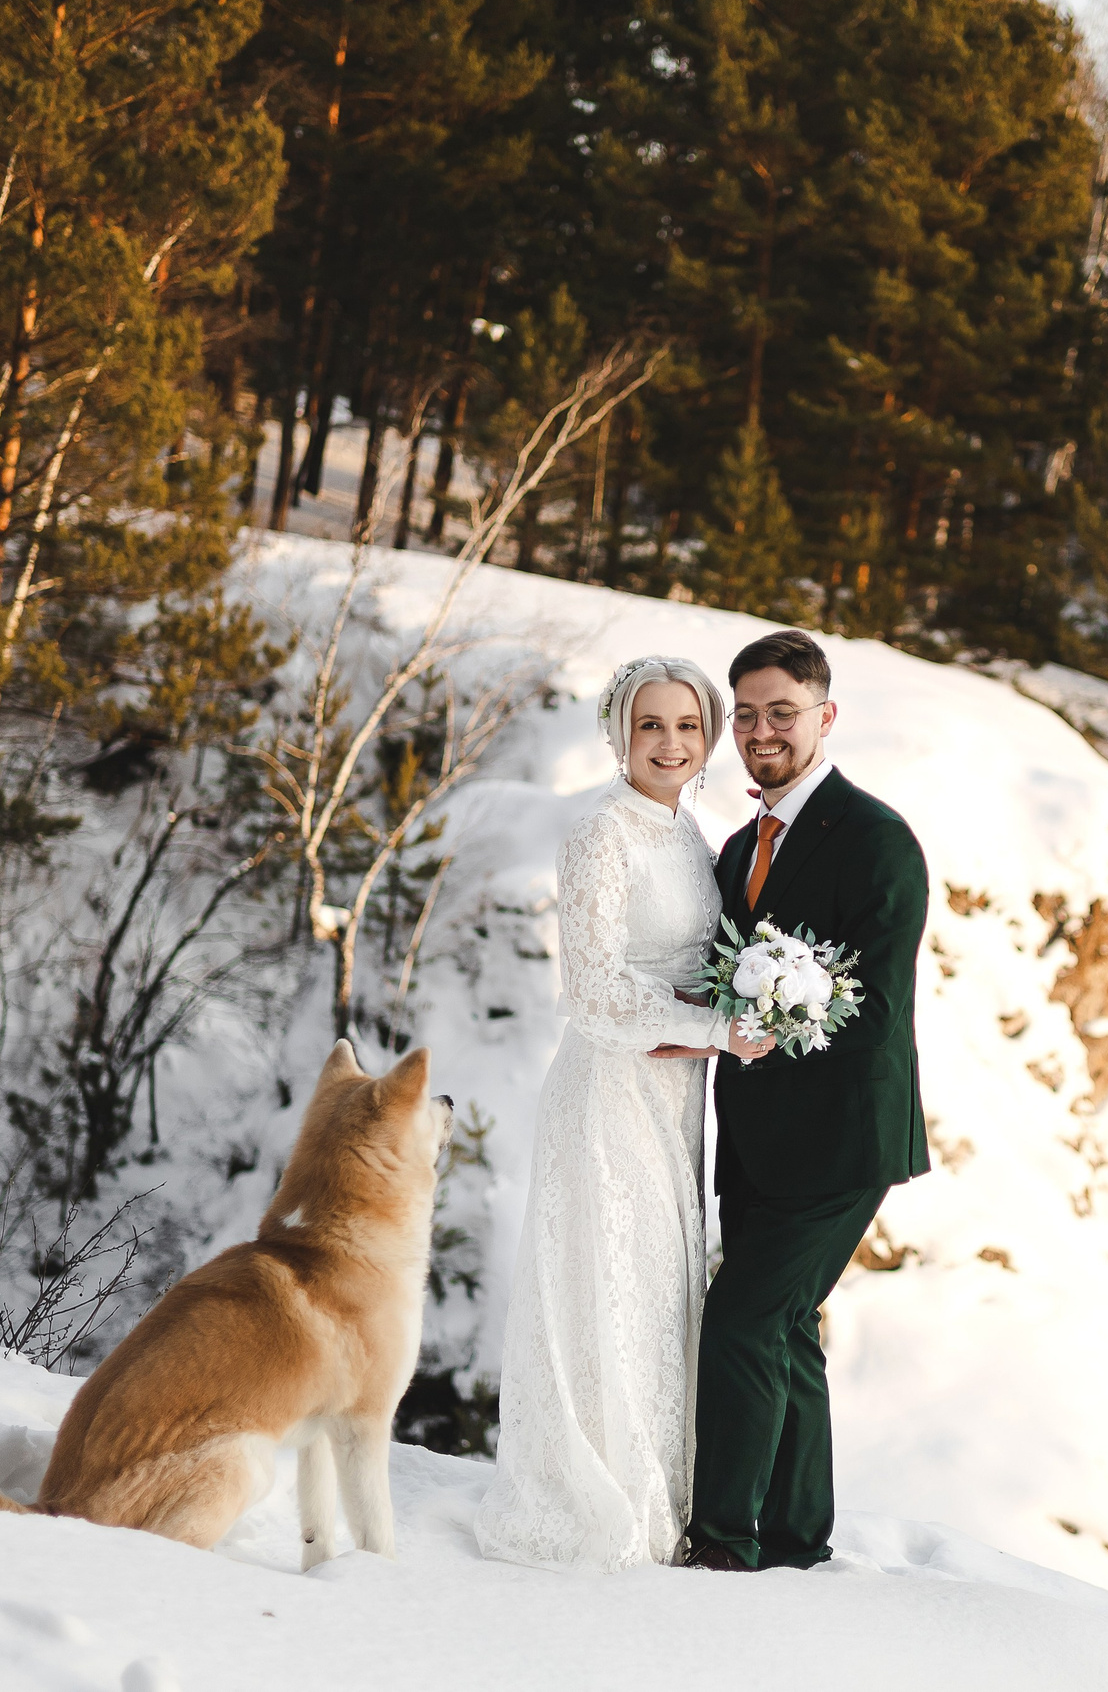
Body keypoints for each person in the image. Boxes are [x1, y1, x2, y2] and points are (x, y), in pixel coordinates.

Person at [475, 656, 774, 1572]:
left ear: (710, 736)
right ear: (619, 734)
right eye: (652, 725)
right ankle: (606, 1495)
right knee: (610, 1279)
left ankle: (664, 1493)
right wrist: (720, 1028)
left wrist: (730, 1021)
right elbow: (595, 989)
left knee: (659, 1287)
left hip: (674, 1094)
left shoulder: (691, 835)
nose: (670, 743)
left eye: (688, 726)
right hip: (607, 1092)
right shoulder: (600, 833)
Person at [682, 629, 931, 1572]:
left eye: (779, 711)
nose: (759, 730)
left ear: (825, 717)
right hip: (752, 1141)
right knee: (787, 1329)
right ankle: (794, 1538)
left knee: (741, 1318)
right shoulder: (743, 842)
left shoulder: (876, 838)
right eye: (744, 715)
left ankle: (723, 1544)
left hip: (840, 1142)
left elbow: (874, 1013)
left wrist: (761, 1028)